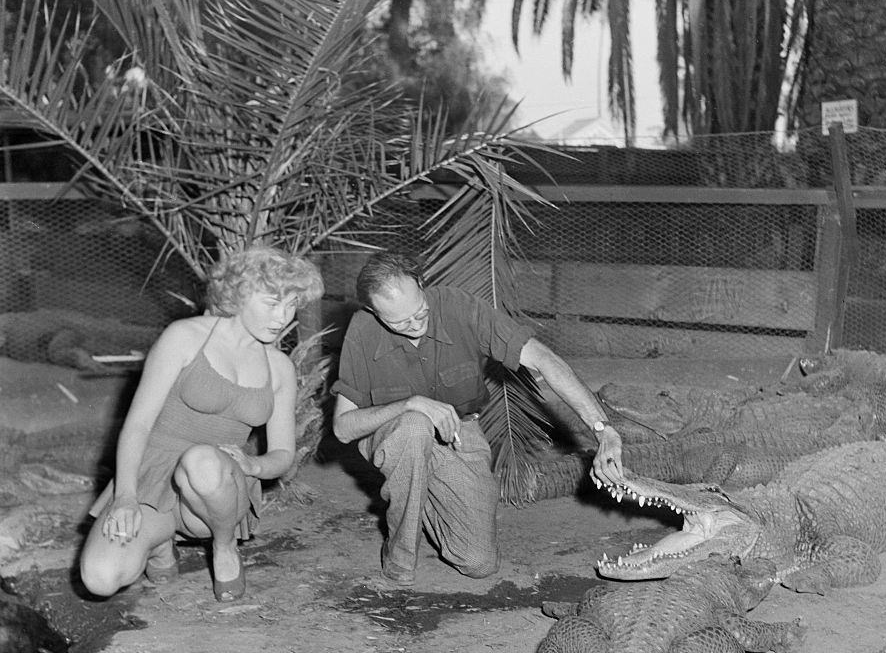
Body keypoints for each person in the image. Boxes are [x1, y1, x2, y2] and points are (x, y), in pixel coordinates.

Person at [331, 251, 624, 587]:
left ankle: (419, 484)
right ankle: (399, 554)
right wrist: (412, 404)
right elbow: (343, 428)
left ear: (422, 285)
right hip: (395, 433)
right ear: (372, 311)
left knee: (478, 562)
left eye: (420, 313)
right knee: (414, 426)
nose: (414, 326)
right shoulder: (362, 330)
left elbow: (544, 360)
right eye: (399, 322)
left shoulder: (460, 307)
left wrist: (603, 430)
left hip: (460, 430)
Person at [79, 245, 324, 602]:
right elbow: (138, 425)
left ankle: (224, 548)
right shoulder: (185, 337)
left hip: (215, 492)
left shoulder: (279, 367)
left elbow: (284, 453)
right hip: (152, 480)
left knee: (201, 461)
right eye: (272, 303)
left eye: (291, 305)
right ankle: (159, 542)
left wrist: (253, 464)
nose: (282, 317)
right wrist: (126, 498)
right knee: (101, 577)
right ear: (239, 294)